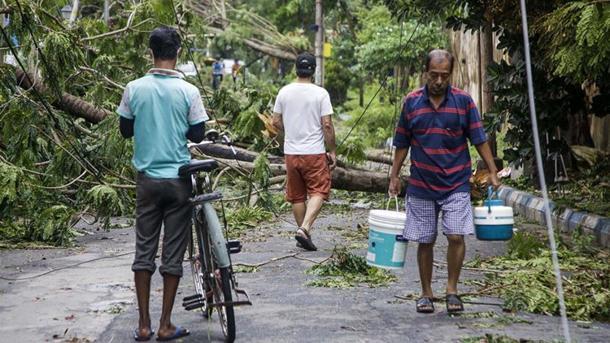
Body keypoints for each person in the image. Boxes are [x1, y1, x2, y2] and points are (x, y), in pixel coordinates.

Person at [388, 49, 500, 314]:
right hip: (421, 184)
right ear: (426, 72)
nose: (439, 81)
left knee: (456, 235)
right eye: (434, 75)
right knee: (425, 240)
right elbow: (402, 143)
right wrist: (394, 175)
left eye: (444, 76)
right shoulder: (412, 102)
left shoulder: (463, 102)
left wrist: (493, 170)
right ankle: (426, 293)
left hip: (456, 183)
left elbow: (479, 139)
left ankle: (452, 290)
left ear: (451, 74)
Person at [117, 26, 208, 341]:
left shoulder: (134, 88)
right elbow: (198, 134)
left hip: (147, 182)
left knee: (144, 251)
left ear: (150, 53)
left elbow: (125, 130)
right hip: (178, 181)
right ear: (177, 53)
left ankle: (143, 325)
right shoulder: (188, 91)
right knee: (172, 254)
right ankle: (166, 324)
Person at [272, 52, 336, 251]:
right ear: (314, 70)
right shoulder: (320, 93)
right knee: (319, 190)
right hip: (314, 153)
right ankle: (305, 228)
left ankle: (303, 233)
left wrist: (290, 129)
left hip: (291, 153)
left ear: (296, 69)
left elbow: (274, 121)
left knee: (297, 195)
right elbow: (327, 124)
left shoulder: (284, 92)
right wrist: (332, 150)